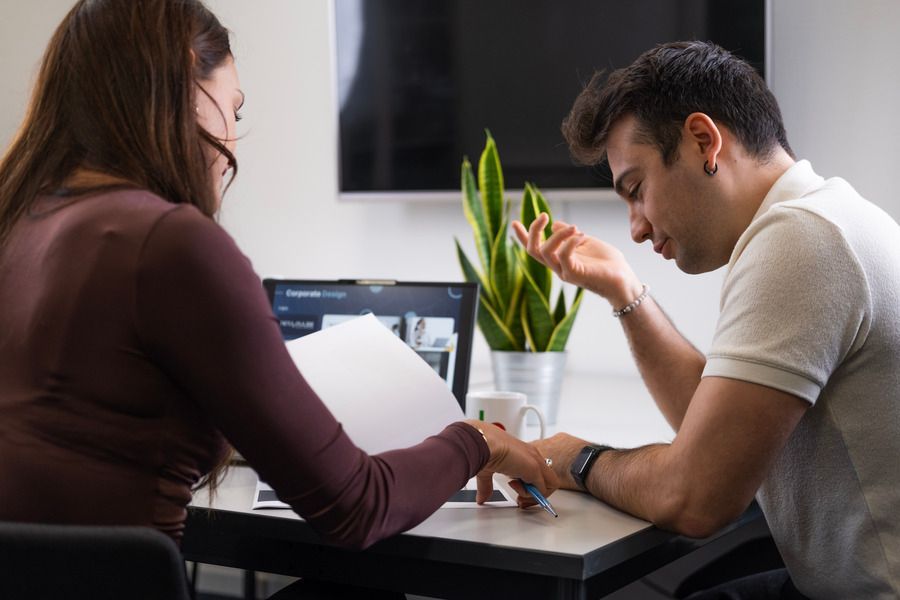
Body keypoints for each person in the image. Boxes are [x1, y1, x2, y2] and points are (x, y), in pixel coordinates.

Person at [0, 0, 557, 587]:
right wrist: (476, 442)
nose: (233, 143)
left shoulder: (16, 224)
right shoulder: (171, 243)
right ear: (187, 82)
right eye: (232, 108)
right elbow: (356, 506)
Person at [513, 41, 899, 599]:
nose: (637, 229)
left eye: (636, 190)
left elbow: (695, 498)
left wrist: (568, 455)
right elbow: (717, 430)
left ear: (703, 140)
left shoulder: (802, 241)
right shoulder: (822, 217)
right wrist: (624, 290)